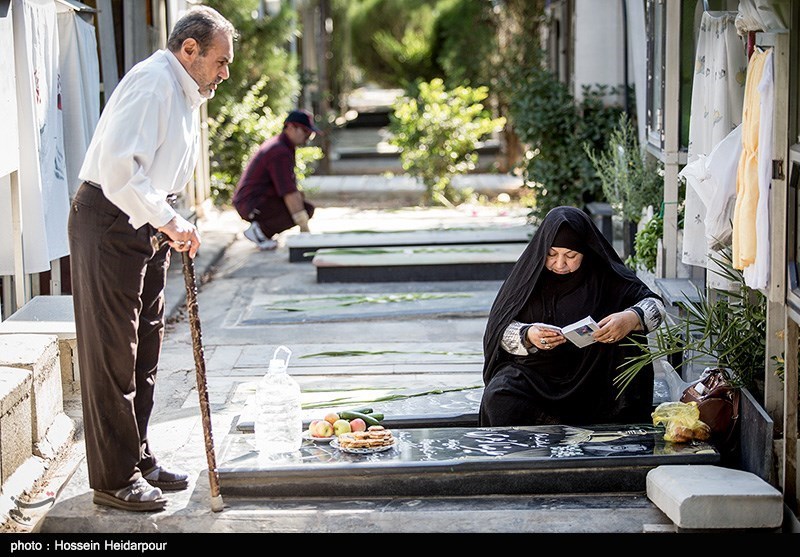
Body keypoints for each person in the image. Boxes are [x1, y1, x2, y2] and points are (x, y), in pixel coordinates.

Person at [67, 6, 236, 512]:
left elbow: (157, 174)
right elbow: (121, 172)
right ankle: (113, 478)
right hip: (110, 221)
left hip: (145, 226)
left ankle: (138, 458)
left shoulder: (184, 90)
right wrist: (170, 222)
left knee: (143, 353)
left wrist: (168, 222)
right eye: (221, 61)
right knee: (112, 355)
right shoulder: (153, 83)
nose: (225, 73)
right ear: (190, 49)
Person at [479, 206, 665, 427]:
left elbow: (655, 305)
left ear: (585, 251)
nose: (560, 264)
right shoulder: (528, 278)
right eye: (551, 254)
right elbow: (498, 331)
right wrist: (528, 335)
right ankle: (547, 432)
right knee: (500, 395)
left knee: (631, 344)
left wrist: (631, 319)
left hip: (597, 380)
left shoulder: (605, 277)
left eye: (570, 255)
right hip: (539, 376)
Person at [232, 110, 319, 250]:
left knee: (302, 204)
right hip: (251, 204)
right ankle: (259, 231)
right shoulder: (279, 151)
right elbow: (288, 191)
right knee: (303, 209)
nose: (308, 137)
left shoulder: (282, 146)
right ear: (290, 127)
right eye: (305, 131)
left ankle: (263, 231)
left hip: (254, 200)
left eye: (310, 133)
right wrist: (304, 226)